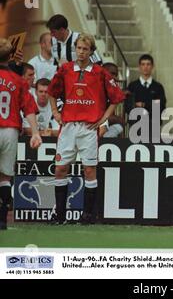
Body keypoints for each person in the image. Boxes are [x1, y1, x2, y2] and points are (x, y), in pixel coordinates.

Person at [48, 33, 125, 225]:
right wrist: (55, 113)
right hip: (68, 127)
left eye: (85, 49)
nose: (81, 52)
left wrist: (103, 119)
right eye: (78, 48)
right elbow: (51, 91)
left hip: (89, 128)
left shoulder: (100, 72)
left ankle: (88, 216)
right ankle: (59, 215)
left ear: (91, 51)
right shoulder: (65, 69)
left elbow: (116, 97)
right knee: (60, 169)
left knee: (89, 170)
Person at [0, 38, 42, 230]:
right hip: (10, 130)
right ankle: (1, 220)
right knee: (5, 177)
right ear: (10, 57)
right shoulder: (18, 80)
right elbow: (29, 109)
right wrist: (35, 133)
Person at [126, 54, 166, 139]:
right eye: (143, 64)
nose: (145, 67)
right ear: (139, 67)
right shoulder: (132, 86)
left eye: (148, 64)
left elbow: (161, 106)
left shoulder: (158, 87)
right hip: (135, 126)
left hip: (153, 126)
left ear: (152, 66)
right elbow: (128, 106)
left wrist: (143, 105)